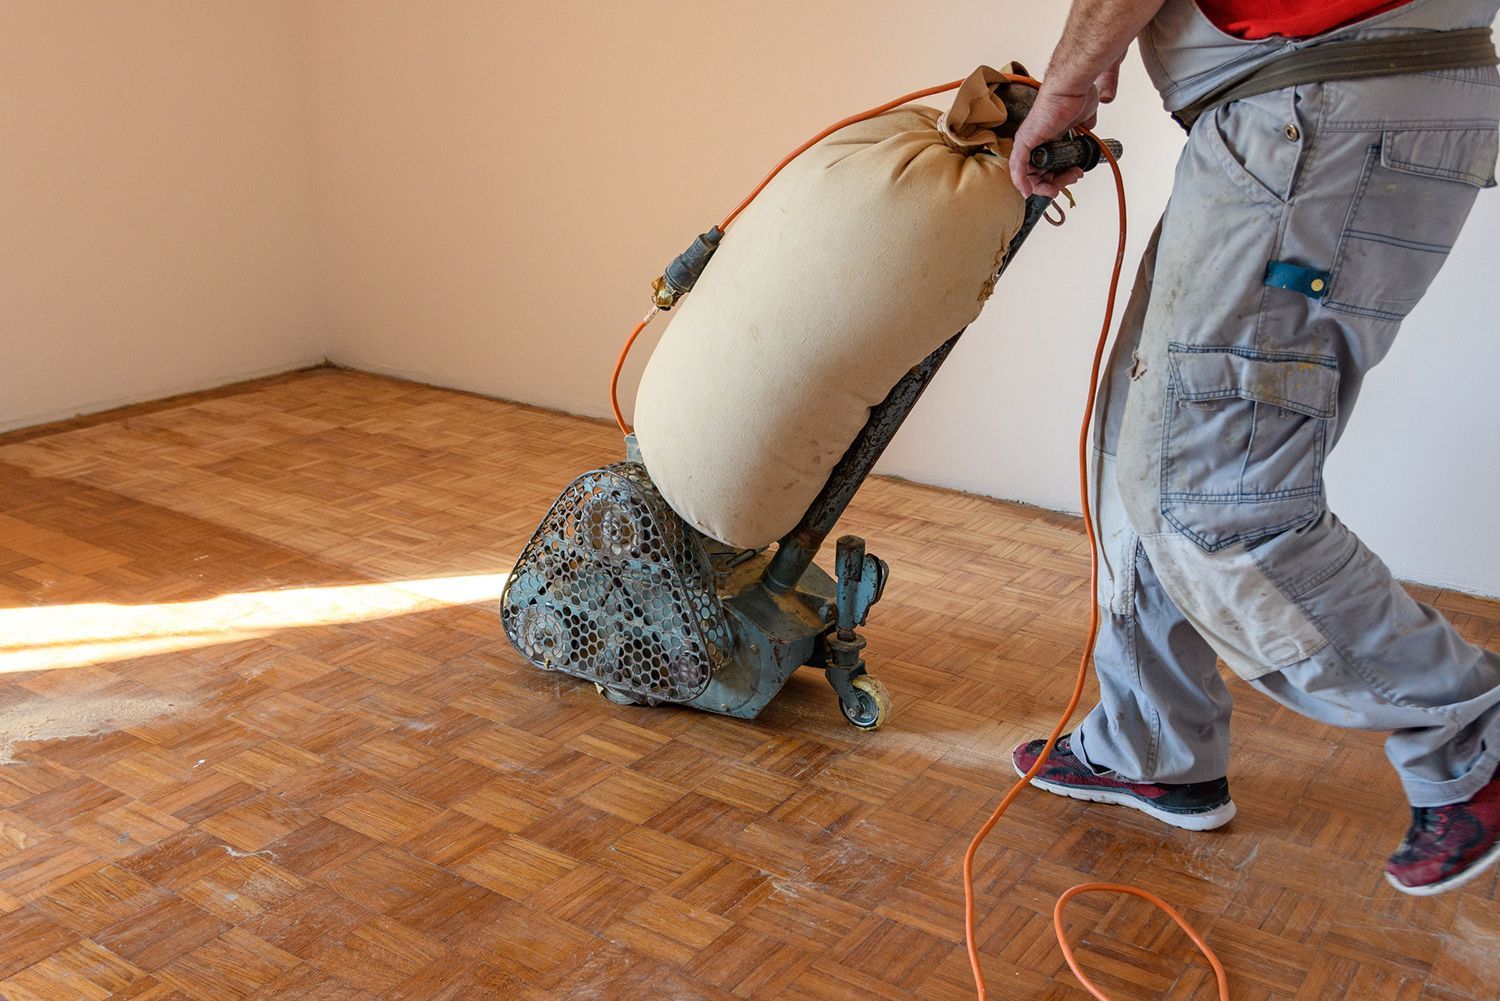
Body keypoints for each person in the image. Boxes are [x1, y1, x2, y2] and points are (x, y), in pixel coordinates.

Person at [1006, 0, 1500, 896]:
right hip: (1310, 100)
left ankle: (1474, 732)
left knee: (1212, 494)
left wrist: (1071, 78)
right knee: (1136, 448)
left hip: (1320, 101)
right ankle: (1153, 743)